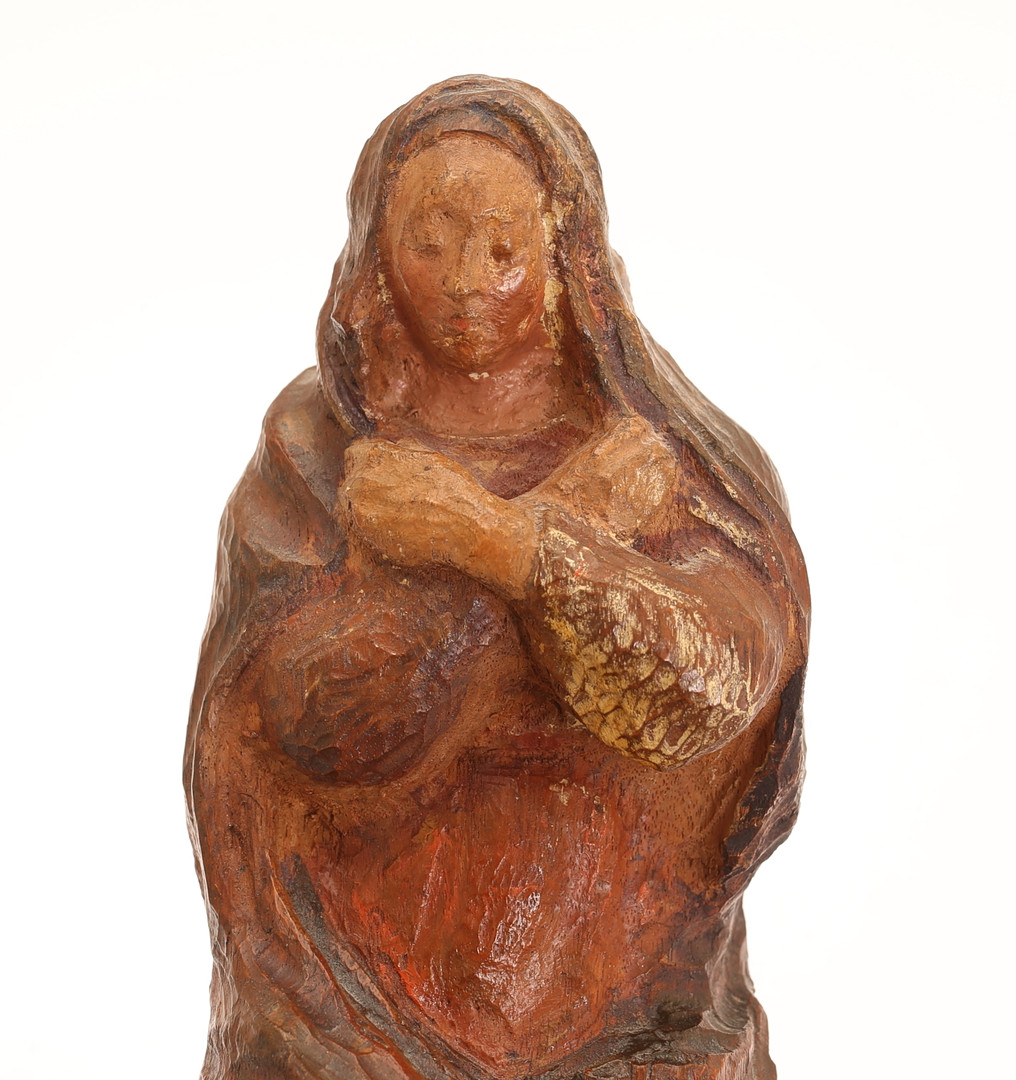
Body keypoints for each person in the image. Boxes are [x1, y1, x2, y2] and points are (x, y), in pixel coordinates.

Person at [186, 75, 809, 1080]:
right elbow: (310, 727)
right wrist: (554, 534)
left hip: (624, 1005)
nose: (465, 280)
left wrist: (496, 539)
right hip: (354, 1007)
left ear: (566, 258)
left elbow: (708, 690)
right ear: (374, 256)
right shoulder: (318, 451)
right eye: (428, 244)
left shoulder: (661, 459)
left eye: (501, 247)